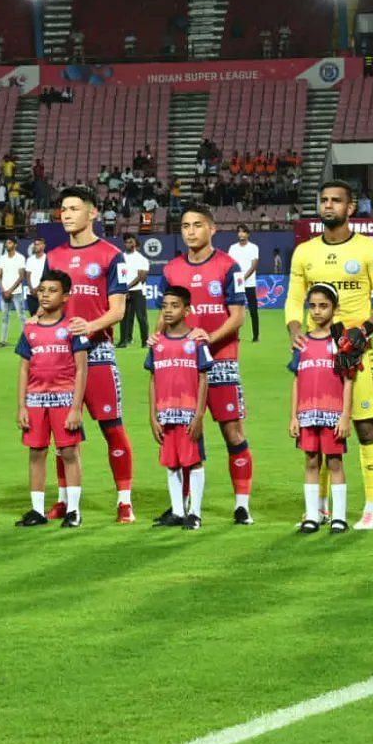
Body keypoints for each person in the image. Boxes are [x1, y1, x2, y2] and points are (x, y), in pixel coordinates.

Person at [284, 181, 373, 530]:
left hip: (356, 350)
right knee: (315, 427)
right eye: (324, 200)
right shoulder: (304, 252)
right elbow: (292, 298)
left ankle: (371, 507)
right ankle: (317, 508)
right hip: (316, 351)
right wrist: (294, 330)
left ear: (351, 208)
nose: (328, 205)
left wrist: (362, 331)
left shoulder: (369, 249)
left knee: (365, 426)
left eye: (336, 201)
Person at [159, 204, 255, 523]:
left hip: (222, 362)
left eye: (197, 225)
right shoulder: (172, 269)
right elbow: (166, 313)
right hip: (181, 367)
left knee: (232, 433)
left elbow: (238, 317)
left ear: (212, 229)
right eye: (185, 225)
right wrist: (157, 336)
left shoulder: (228, 267)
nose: (190, 231)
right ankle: (182, 506)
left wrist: (203, 342)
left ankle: (241, 504)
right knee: (184, 434)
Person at [45, 186, 135, 523]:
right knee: (63, 433)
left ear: (92, 213)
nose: (66, 214)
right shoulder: (53, 258)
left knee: (112, 427)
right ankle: (65, 500)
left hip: (97, 353)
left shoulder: (112, 256)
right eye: (63, 209)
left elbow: (118, 311)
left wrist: (88, 326)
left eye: (73, 208)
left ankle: (124, 500)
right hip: (61, 359)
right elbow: (47, 304)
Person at [14, 271, 91, 528]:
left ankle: (74, 510)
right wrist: (21, 406)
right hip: (35, 401)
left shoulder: (74, 328)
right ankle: (37, 510)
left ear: (66, 296)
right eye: (42, 289)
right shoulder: (29, 328)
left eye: (52, 290)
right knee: (36, 452)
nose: (45, 294)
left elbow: (81, 368)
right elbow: (24, 369)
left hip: (64, 399)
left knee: (69, 452)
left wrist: (76, 408)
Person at [145, 287, 214, 530]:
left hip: (188, 415)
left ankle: (194, 513)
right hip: (165, 413)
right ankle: (176, 511)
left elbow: (204, 378)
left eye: (174, 305)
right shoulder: (157, 343)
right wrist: (152, 416)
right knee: (171, 462)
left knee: (193, 462)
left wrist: (199, 415)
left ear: (187, 310)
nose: (168, 310)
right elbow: (153, 379)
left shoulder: (196, 341)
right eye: (164, 306)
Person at [289, 284, 353, 534]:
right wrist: (293, 416)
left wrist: (345, 416)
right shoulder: (301, 343)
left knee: (335, 463)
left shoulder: (342, 343)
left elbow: (349, 380)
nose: (317, 311)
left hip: (333, 414)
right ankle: (312, 515)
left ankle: (339, 516)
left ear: (335, 309)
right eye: (312, 306)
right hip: (307, 414)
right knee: (311, 462)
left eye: (323, 306)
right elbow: (296, 380)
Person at [227, 225, 261, 343]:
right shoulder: (232, 248)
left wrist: (243, 277)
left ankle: (256, 336)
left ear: (248, 234)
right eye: (239, 232)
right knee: (235, 311)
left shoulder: (253, 247)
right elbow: (230, 264)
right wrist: (236, 278)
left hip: (249, 283)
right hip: (236, 284)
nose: (241, 234)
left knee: (253, 310)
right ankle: (235, 336)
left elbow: (254, 265)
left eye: (244, 232)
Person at [116, 235, 150, 348]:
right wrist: (123, 289)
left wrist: (127, 287)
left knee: (141, 317)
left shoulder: (141, 259)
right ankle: (123, 341)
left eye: (131, 242)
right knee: (124, 317)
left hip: (138, 291)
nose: (128, 244)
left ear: (135, 244)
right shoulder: (121, 257)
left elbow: (141, 277)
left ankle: (145, 341)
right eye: (126, 242)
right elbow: (121, 275)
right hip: (125, 291)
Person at [0, 238, 26, 347]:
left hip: (16, 292)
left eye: (9, 243)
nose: (7, 245)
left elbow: (21, 276)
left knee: (21, 316)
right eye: (6, 243)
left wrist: (10, 290)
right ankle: (3, 341)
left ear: (15, 245)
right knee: (4, 317)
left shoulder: (20, 258)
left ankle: (26, 340)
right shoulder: (2, 258)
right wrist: (3, 290)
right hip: (4, 292)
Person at [22, 239, 47, 317]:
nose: (36, 246)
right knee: (33, 316)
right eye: (35, 244)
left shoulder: (47, 259)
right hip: (31, 294)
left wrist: (37, 288)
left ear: (43, 246)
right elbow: (28, 275)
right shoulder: (30, 260)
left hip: (43, 293)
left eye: (39, 244)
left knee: (44, 316)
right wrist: (31, 288)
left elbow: (46, 276)